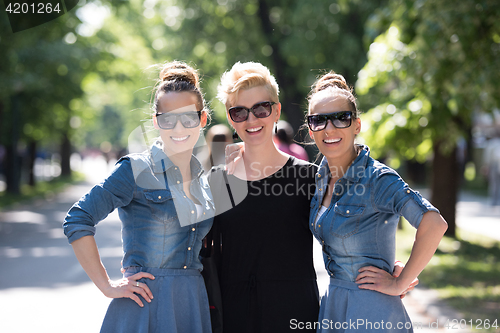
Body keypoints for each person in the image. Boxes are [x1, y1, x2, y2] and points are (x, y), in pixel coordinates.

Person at [63, 61, 214, 333]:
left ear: (202, 119)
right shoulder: (135, 169)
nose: (179, 128)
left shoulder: (204, 177)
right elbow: (78, 218)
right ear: (156, 121)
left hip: (191, 303)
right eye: (168, 118)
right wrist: (107, 285)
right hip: (144, 306)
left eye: (189, 117)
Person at [306, 71, 448, 332]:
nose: (329, 129)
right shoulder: (319, 178)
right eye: (319, 121)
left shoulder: (377, 178)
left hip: (372, 312)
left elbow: (434, 224)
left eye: (341, 118)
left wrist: (401, 281)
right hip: (334, 304)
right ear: (311, 129)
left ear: (356, 125)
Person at [210, 61, 320, 332]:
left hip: (296, 316)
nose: (252, 119)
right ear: (230, 117)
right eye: (240, 112)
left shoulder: (309, 176)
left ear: (276, 110)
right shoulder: (217, 180)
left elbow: (344, 234)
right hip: (235, 317)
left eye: (261, 108)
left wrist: (392, 267)